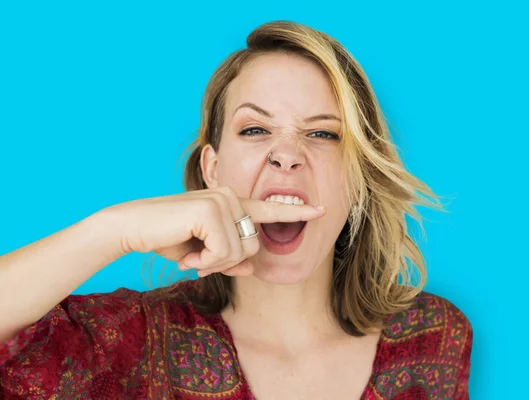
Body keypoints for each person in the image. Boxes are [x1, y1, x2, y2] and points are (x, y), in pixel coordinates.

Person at [0, 20, 472, 400]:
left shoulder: (434, 338)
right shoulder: (131, 341)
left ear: (359, 179)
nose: (287, 154)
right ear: (213, 170)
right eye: (254, 130)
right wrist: (115, 229)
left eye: (323, 133)